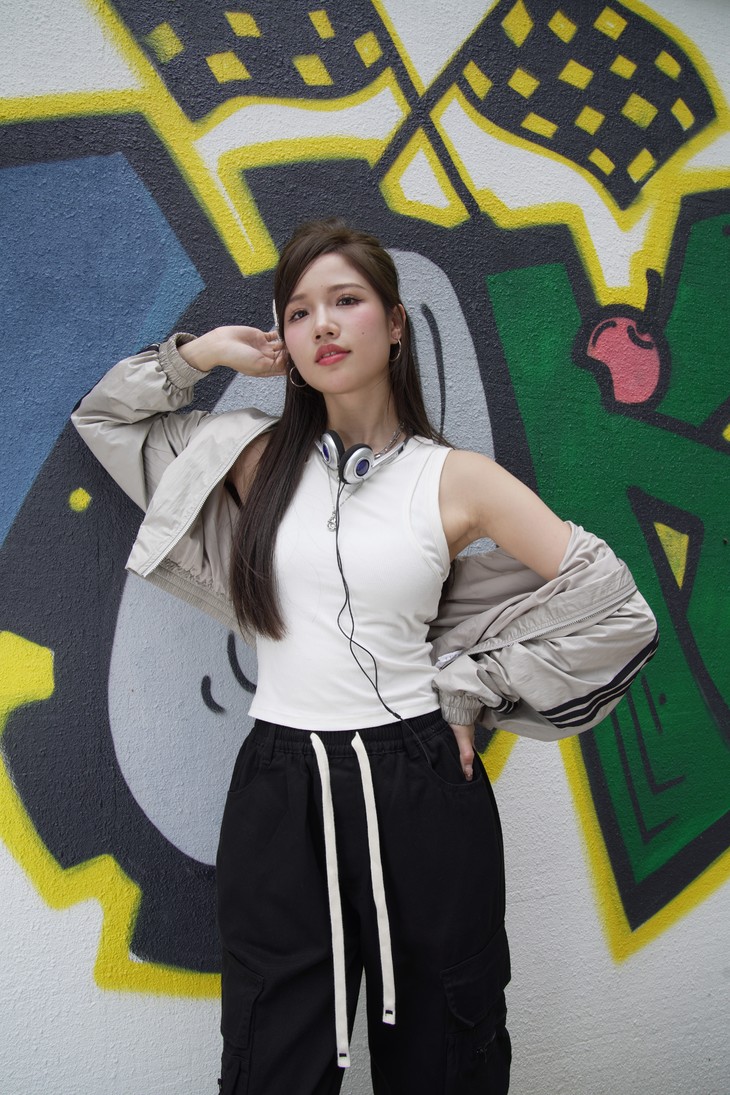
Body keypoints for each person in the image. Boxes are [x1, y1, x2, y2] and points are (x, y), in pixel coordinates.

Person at [71, 219, 658, 1095]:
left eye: (345, 300)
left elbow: (614, 606)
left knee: (447, 1052)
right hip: (280, 786)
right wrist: (202, 355)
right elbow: (106, 417)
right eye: (298, 310)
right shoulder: (249, 458)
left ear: (394, 323)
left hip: (423, 781)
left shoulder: (455, 478)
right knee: (272, 1056)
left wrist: (472, 687)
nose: (322, 324)